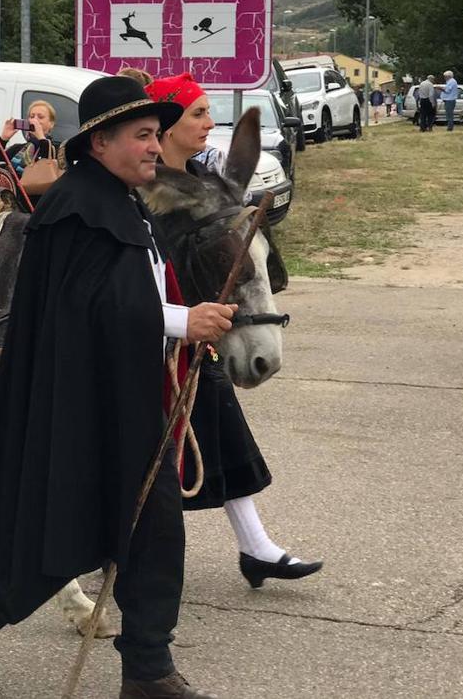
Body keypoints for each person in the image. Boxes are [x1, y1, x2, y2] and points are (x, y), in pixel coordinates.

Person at [0, 76, 234, 699]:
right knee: (73, 529)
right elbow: (97, 311)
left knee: (153, 530)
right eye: (143, 136)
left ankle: (148, 670)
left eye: (158, 135)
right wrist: (185, 321)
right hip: (82, 406)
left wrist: (182, 322)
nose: (156, 148)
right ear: (99, 142)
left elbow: (130, 297)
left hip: (126, 397)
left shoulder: (122, 201)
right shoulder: (77, 210)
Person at [146, 72, 323, 588]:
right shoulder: (143, 189)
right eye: (197, 113)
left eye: (208, 112)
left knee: (220, 423)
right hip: (149, 335)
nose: (208, 123)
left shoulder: (207, 182)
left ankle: (256, 547)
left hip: (194, 335)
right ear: (168, 124)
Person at [0, 99, 60, 176]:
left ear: (51, 124)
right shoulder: (17, 148)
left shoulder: (56, 149)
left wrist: (41, 138)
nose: (34, 120)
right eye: (32, 116)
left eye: (40, 117)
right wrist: (3, 139)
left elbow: (47, 164)